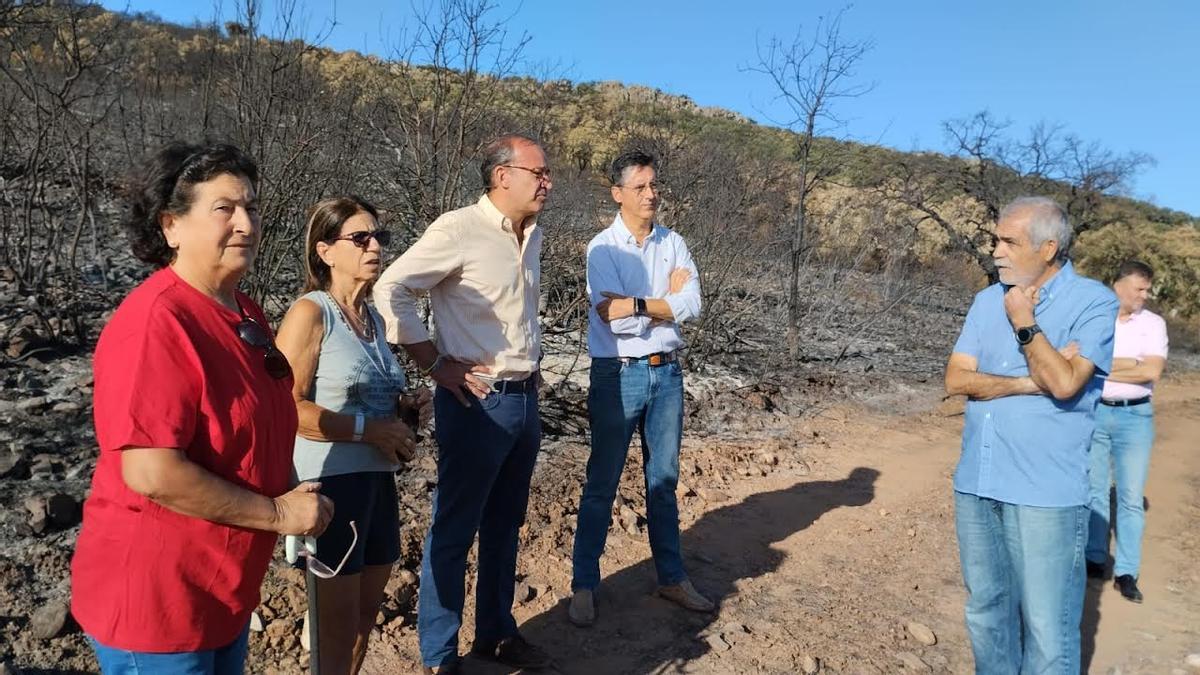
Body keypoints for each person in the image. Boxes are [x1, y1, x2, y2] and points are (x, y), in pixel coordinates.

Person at [70, 142, 333, 674]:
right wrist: (279, 513)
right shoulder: (157, 322)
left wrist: (287, 488)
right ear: (172, 226)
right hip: (159, 605)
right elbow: (151, 471)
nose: (245, 223)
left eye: (252, 208)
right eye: (224, 208)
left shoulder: (244, 312)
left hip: (220, 590)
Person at [373, 134, 552, 674]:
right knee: (454, 532)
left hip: (523, 400)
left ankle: (495, 634)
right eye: (538, 173)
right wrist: (433, 362)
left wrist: (530, 367)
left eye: (547, 174)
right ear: (503, 176)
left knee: (505, 525)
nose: (547, 183)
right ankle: (439, 655)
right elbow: (391, 288)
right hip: (476, 403)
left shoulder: (533, 233)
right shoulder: (458, 229)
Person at [944, 196, 1118, 674]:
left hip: (1044, 496)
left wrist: (1024, 322)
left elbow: (1064, 384)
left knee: (1047, 628)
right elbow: (956, 380)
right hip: (977, 485)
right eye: (995, 239)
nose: (995, 251)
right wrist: (1027, 381)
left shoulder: (1094, 301)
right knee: (987, 615)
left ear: (1047, 249)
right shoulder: (984, 300)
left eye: (1008, 241)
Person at [275, 196, 433, 673]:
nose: (374, 247)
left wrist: (405, 408)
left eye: (379, 237)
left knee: (366, 619)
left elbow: (374, 404)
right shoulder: (311, 313)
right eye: (359, 238)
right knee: (335, 628)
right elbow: (285, 406)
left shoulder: (375, 320)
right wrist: (370, 430)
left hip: (378, 485)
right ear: (325, 251)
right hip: (330, 488)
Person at [568, 149, 710, 627]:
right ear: (618, 194)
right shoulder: (601, 247)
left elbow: (693, 304)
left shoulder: (674, 242)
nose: (652, 194)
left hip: (668, 372)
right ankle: (584, 584)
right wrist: (665, 300)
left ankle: (672, 576)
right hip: (618, 374)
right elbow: (613, 321)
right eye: (641, 187)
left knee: (664, 482)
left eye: (655, 186)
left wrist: (641, 304)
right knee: (602, 482)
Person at [1084, 260, 1168, 603]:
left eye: (1147, 289)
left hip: (1136, 418)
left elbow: (1151, 371)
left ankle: (1127, 572)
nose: (1145, 296)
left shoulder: (1153, 324)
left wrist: (1103, 367)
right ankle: (1094, 558)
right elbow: (1080, 359)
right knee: (1095, 489)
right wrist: (1128, 366)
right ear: (1118, 285)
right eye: (1139, 289)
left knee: (1131, 498)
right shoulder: (1095, 317)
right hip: (1094, 413)